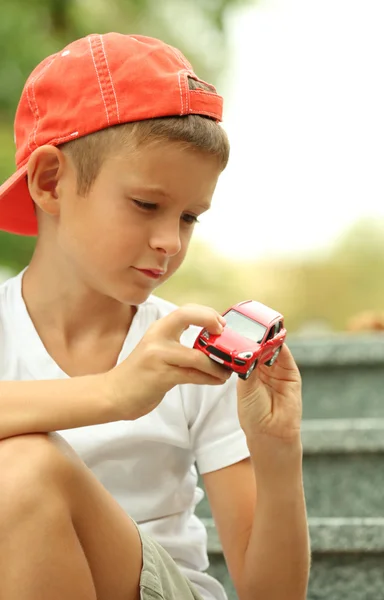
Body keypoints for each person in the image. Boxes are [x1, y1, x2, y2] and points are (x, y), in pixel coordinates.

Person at [0, 32, 309, 600]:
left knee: (20, 468)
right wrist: (116, 393)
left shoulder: (192, 355)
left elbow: (273, 594)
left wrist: (278, 449)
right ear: (50, 182)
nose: (170, 241)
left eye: (190, 217)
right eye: (147, 205)